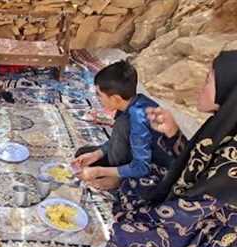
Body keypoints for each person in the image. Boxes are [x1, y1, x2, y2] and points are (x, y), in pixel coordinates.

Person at [109, 50, 237, 247]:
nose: (201, 86)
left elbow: (194, 207)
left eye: (209, 80)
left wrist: (143, 216)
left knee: (128, 235)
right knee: (141, 181)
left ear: (229, 89)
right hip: (191, 204)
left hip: (207, 232)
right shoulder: (224, 123)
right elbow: (194, 166)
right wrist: (173, 133)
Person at [73, 61, 173, 189]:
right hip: (133, 152)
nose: (98, 99)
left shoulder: (137, 119)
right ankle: (115, 175)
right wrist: (96, 155)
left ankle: (120, 181)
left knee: (94, 173)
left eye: (99, 95)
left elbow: (142, 167)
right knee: (84, 155)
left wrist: (99, 171)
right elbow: (117, 139)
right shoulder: (131, 103)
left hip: (155, 170)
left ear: (115, 98)